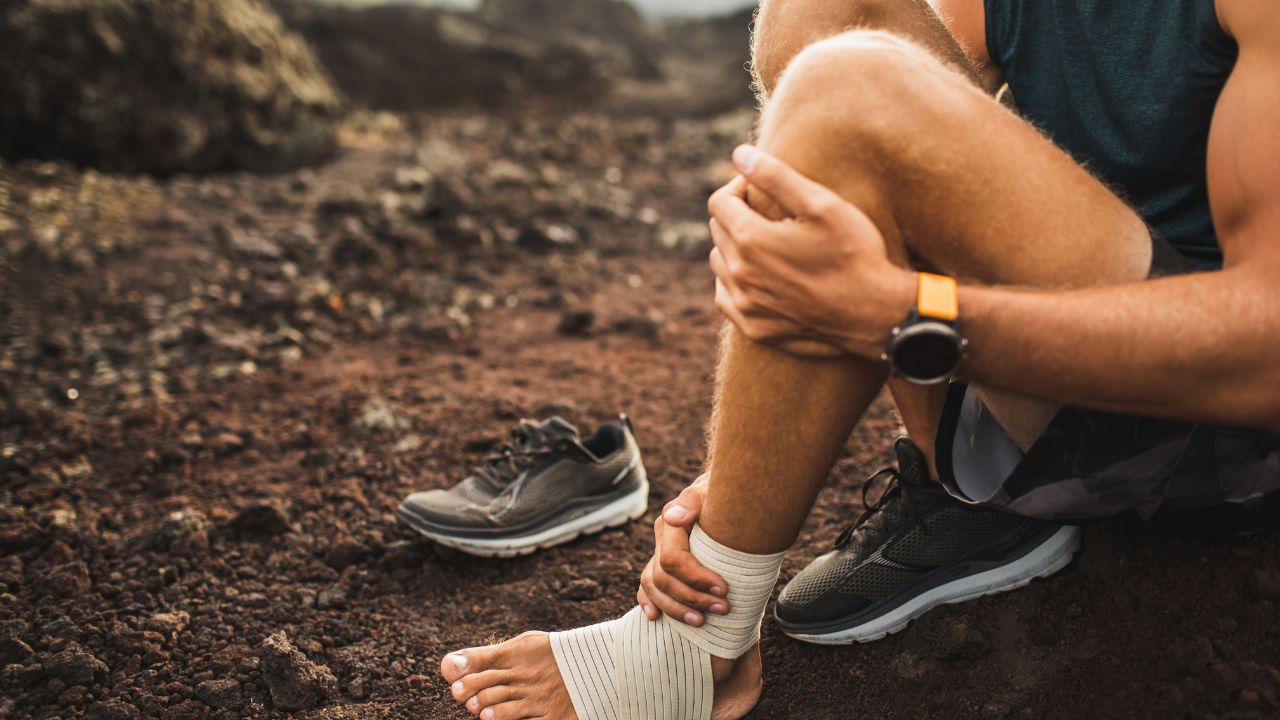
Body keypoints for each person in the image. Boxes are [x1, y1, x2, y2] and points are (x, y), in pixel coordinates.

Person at [439, 0, 1280, 718]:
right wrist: (752, 472)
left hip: (1222, 436)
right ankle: (946, 496)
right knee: (826, 21)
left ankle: (696, 647)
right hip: (1061, 390)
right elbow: (893, 170)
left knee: (857, 87)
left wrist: (913, 318)